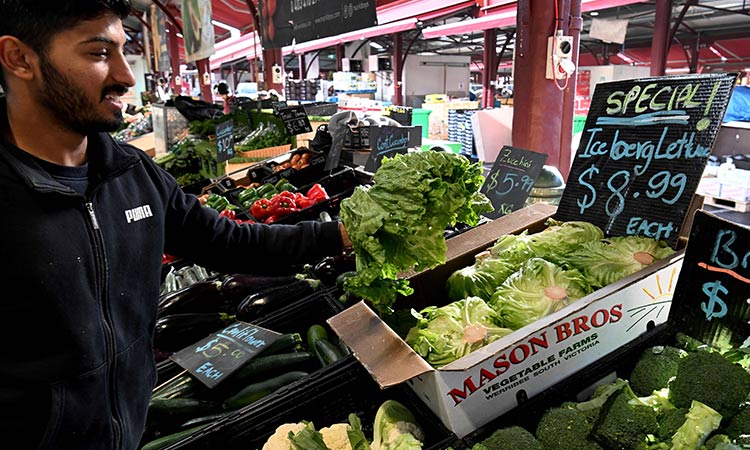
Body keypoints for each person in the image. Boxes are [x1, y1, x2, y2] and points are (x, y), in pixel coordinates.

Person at [0, 1, 351, 449]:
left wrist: (336, 233)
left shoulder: (132, 173)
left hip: (128, 429)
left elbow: (229, 241)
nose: (126, 77)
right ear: (19, 59)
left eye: (124, 52)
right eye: (97, 53)